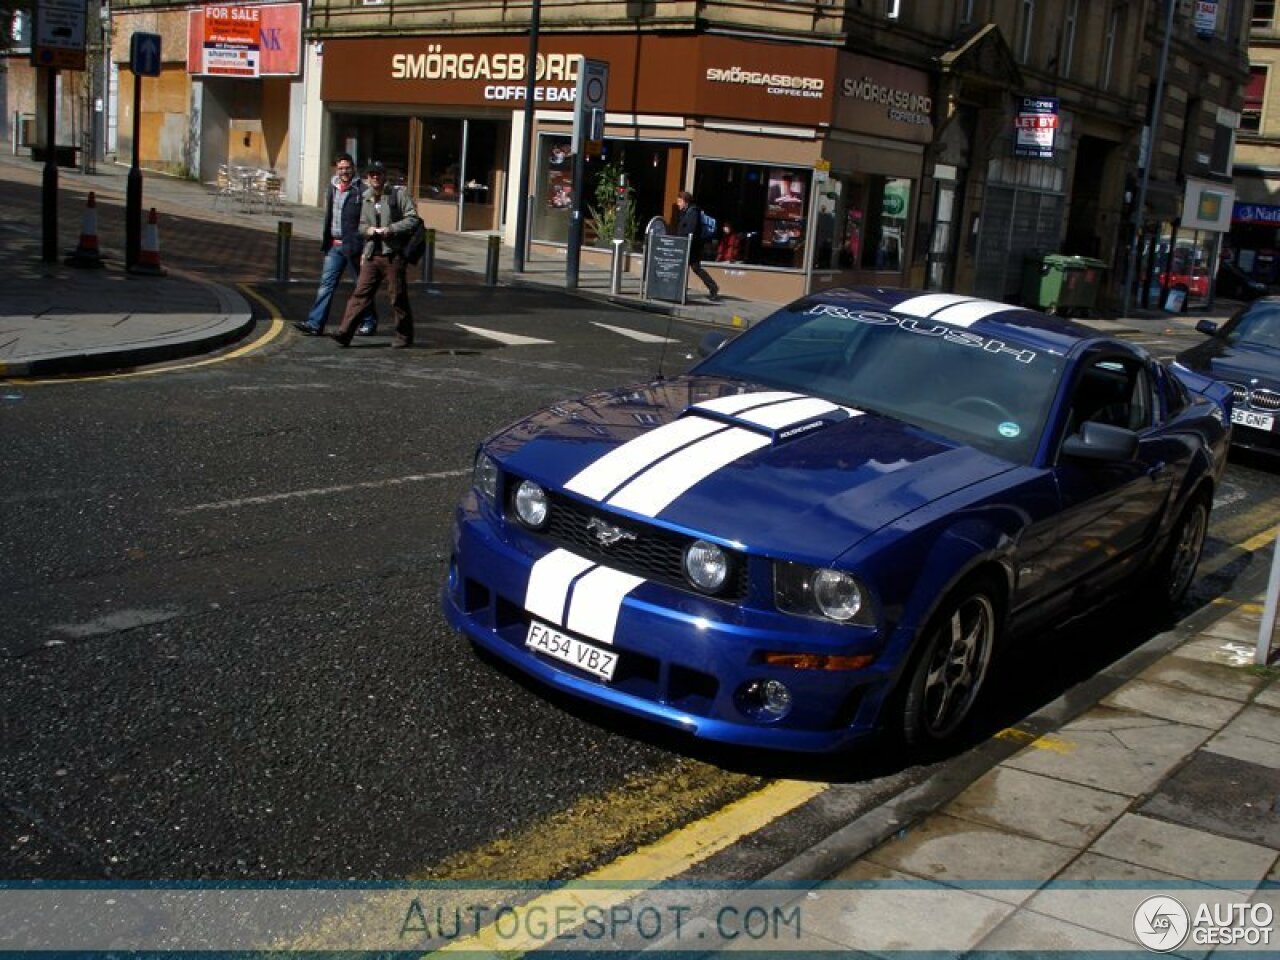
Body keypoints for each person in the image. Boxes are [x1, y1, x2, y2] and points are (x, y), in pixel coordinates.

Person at [332, 162, 422, 349]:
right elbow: (362, 225)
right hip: (373, 254)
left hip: (393, 255)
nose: (374, 178)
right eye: (371, 175)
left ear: (384, 176)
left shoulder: (398, 194)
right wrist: (369, 231)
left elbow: (413, 219)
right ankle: (344, 332)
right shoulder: (366, 198)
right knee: (360, 294)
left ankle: (404, 335)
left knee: (397, 296)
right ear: (367, 178)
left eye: (378, 174)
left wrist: (391, 229)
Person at [294, 153, 379, 337]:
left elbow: (368, 220)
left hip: (354, 246)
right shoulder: (332, 188)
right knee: (326, 285)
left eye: (347, 168)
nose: (344, 172)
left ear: (353, 168)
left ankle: (369, 320)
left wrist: (366, 249)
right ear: (336, 169)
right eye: (341, 168)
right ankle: (315, 324)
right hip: (334, 246)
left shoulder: (362, 191)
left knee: (361, 287)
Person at [674, 190, 720, 302]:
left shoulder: (693, 212)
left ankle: (680, 291)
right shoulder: (685, 212)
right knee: (695, 268)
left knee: (687, 268)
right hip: (687, 246)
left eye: (680, 201)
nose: (678, 204)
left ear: (685, 201)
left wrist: (681, 238)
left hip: (692, 247)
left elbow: (691, 230)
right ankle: (713, 287)